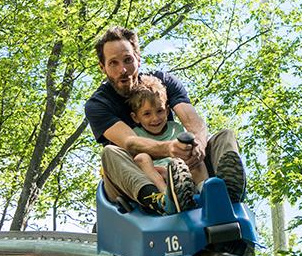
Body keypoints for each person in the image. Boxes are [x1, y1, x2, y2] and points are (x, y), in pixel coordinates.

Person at [85, 26, 246, 214]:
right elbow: (131, 142)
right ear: (102, 67)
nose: (123, 69)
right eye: (113, 63)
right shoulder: (98, 104)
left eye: (128, 60)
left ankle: (224, 193)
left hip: (181, 168)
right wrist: (171, 148)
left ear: (138, 58)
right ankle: (161, 200)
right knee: (110, 153)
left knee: (225, 136)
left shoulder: (162, 83)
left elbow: (193, 122)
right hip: (133, 178)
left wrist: (197, 148)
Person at [124, 75, 209, 213]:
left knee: (193, 151)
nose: (155, 118)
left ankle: (206, 190)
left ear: (167, 110)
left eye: (160, 111)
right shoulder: (135, 133)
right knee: (141, 158)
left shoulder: (176, 128)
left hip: (183, 172)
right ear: (136, 117)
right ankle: (167, 197)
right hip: (156, 176)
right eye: (147, 114)